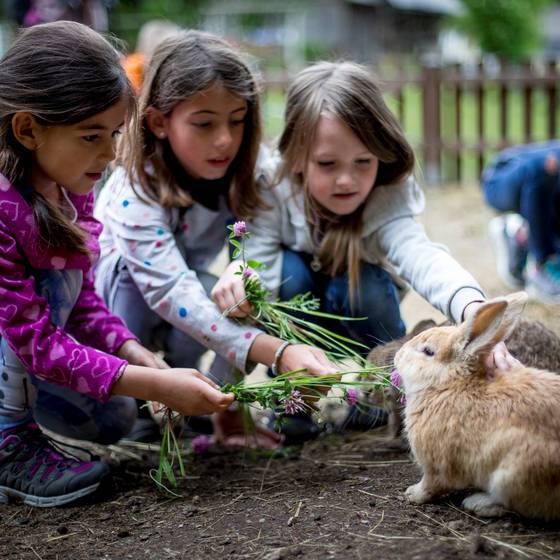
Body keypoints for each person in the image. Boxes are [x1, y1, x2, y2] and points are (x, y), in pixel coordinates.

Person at [212, 61, 519, 433]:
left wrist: (472, 309)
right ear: (296, 157)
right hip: (297, 318)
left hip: (360, 317)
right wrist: (241, 281)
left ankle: (380, 393)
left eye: (363, 161)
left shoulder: (386, 195)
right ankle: (295, 401)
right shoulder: (271, 188)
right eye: (327, 164)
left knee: (367, 283)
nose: (347, 179)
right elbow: (255, 275)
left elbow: (421, 256)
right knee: (288, 272)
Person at [0, 21, 234, 508]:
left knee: (113, 419)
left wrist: (137, 355)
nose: (109, 155)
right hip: (20, 348)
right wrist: (158, 384)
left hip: (26, 357)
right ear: (27, 129)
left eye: (114, 134)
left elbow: (82, 302)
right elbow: (34, 339)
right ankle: (9, 443)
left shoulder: (67, 191)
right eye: (91, 136)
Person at [94, 30, 336, 447]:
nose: (224, 139)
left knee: (246, 290)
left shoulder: (251, 169)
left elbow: (258, 255)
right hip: (113, 322)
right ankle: (138, 402)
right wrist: (278, 352)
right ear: (158, 122)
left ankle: (213, 402)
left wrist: (232, 400)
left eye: (237, 120)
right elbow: (169, 290)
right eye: (204, 124)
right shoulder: (133, 189)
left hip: (184, 308)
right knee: (132, 278)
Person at [482, 141, 560, 303]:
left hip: (534, 192)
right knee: (544, 167)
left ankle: (515, 234)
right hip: (499, 179)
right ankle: (541, 265)